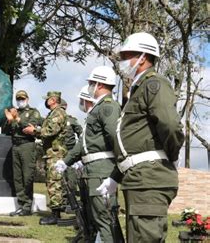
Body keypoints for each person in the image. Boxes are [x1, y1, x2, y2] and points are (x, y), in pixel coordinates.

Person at [96, 32, 185, 242]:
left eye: (127, 56)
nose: (123, 62)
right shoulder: (138, 89)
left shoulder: (154, 84)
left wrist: (171, 155)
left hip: (149, 179)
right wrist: (115, 178)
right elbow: (134, 144)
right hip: (138, 179)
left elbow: (170, 125)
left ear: (143, 57)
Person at [56, 66, 121, 242]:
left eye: (92, 82)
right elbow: (83, 144)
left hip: (103, 170)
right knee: (99, 217)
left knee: (105, 218)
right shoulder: (98, 109)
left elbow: (116, 137)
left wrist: (119, 170)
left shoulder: (108, 107)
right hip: (94, 170)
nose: (90, 86)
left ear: (99, 84)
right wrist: (67, 161)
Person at [23, 91, 67, 225]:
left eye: (47, 99)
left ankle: (55, 216)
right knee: (52, 183)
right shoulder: (53, 113)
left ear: (53, 100)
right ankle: (55, 213)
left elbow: (50, 131)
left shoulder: (58, 113)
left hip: (56, 154)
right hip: (51, 153)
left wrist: (34, 131)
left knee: (54, 184)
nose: (46, 101)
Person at [3, 90, 42, 216]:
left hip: (27, 145)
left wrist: (18, 119)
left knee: (27, 176)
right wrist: (9, 121)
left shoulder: (33, 112)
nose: (20, 101)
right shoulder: (14, 112)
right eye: (18, 98)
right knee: (17, 177)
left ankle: (27, 206)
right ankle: (22, 204)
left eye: (22, 98)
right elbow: (5, 130)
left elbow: (29, 129)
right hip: (15, 146)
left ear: (27, 99)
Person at [59, 99, 83, 201]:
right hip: (58, 152)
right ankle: (62, 200)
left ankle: (71, 199)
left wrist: (77, 150)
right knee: (59, 177)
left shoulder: (71, 120)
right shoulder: (53, 120)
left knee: (71, 176)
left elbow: (82, 134)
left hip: (70, 152)